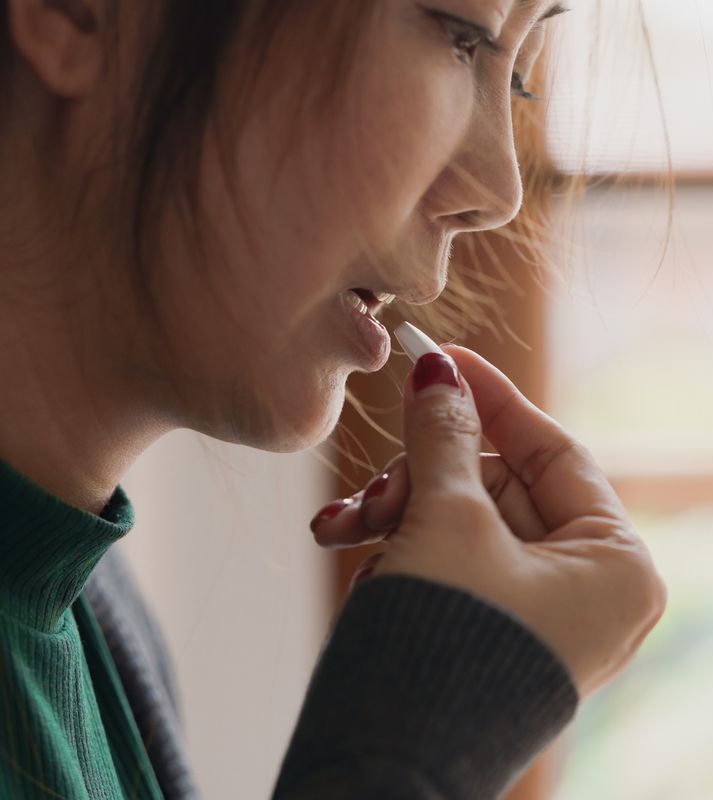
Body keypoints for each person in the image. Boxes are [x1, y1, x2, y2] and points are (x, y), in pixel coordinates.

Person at [0, 0, 668, 797]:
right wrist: (405, 761)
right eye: (463, 38)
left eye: (519, 80)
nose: (500, 192)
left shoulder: (95, 613)